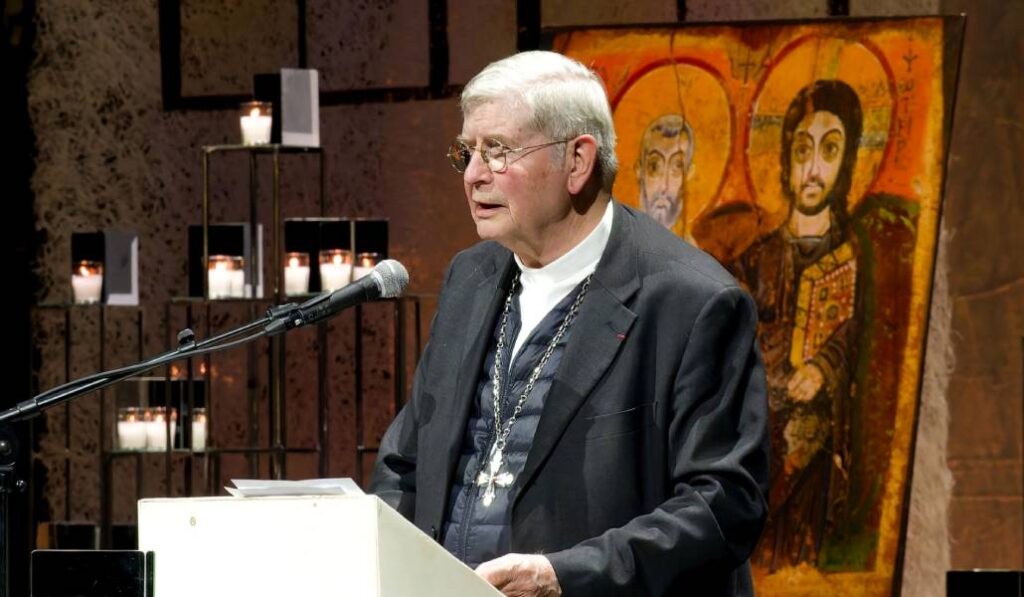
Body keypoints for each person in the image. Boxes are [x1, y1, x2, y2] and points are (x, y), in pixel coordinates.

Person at [370, 50, 769, 596]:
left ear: (577, 161)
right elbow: (405, 460)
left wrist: (565, 576)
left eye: (497, 151)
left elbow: (725, 505)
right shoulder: (471, 277)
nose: (473, 175)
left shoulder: (691, 302)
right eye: (466, 152)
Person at [727, 79, 863, 569]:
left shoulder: (857, 258)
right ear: (785, 157)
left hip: (818, 466)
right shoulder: (753, 263)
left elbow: (859, 343)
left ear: (846, 162)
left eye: (829, 150)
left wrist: (827, 367)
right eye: (802, 149)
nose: (812, 168)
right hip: (758, 458)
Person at [636, 113, 694, 239]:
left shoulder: (694, 253)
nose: (664, 186)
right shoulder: (620, 241)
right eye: (654, 167)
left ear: (688, 174)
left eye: (677, 167)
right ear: (639, 171)